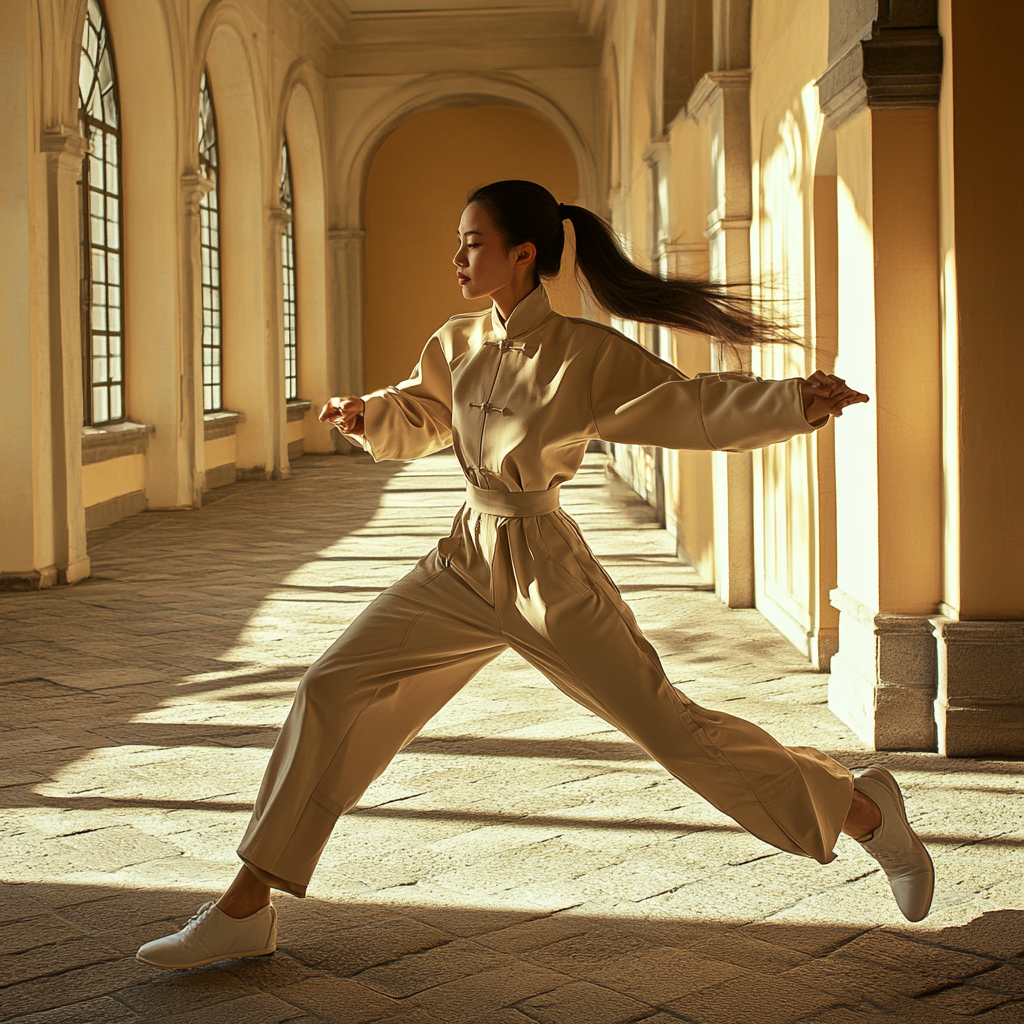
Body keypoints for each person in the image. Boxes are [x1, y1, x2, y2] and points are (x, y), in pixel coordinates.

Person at [137, 180, 933, 971]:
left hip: (545, 570)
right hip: (462, 558)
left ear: (524, 254)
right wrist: (366, 413)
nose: (457, 258)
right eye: (459, 241)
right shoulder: (456, 341)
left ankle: (863, 811)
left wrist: (793, 402)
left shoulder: (585, 354)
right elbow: (427, 411)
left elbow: (686, 405)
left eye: (473, 243)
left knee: (671, 730)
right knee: (330, 687)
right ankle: (245, 905)